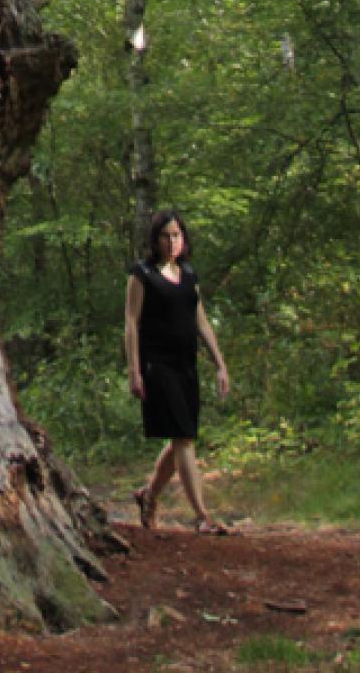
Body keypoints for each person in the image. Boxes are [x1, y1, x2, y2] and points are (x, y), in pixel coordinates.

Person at [124, 209, 233, 535]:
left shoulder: (188, 274)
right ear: (155, 239)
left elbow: (201, 320)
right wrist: (134, 370)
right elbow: (131, 323)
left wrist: (220, 363)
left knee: (181, 435)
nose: (171, 241)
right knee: (184, 438)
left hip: (186, 364)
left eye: (176, 235)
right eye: (165, 236)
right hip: (157, 365)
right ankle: (202, 516)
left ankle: (148, 496)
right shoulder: (142, 274)